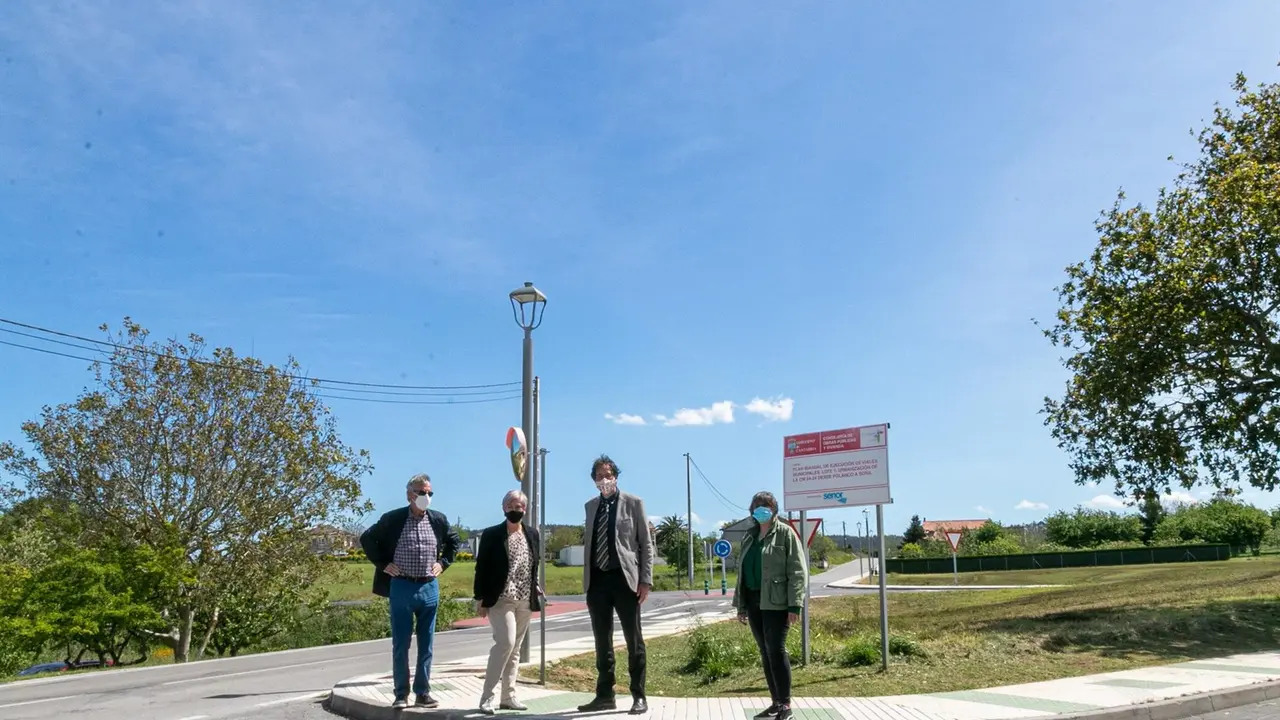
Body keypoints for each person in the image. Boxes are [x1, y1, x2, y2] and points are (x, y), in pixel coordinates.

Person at [359, 473, 462, 709]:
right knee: (401, 643)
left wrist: (443, 563)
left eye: (429, 493)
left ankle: (423, 692)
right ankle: (401, 694)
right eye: (421, 492)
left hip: (428, 586)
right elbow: (367, 538)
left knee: (426, 644)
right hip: (401, 586)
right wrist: (384, 564)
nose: (426, 496)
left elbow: (454, 542)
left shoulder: (438, 520)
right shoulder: (393, 519)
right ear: (409, 494)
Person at [577, 454, 654, 715]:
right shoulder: (590, 506)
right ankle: (604, 695)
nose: (604, 480)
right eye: (599, 476)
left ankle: (639, 695)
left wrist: (645, 580)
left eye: (608, 475)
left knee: (634, 639)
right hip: (597, 582)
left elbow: (646, 544)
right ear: (594, 481)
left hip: (625, 580)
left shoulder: (633, 503)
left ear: (616, 477)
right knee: (602, 640)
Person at [732, 491, 808, 720]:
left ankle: (786, 705)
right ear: (751, 511)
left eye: (766, 506)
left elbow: (797, 571)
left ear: (774, 510)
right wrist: (741, 605)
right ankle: (775, 703)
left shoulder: (785, 533)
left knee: (776, 650)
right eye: (757, 507)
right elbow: (742, 574)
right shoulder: (749, 535)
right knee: (765, 653)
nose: (761, 510)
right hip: (754, 601)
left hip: (777, 602)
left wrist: (795, 604)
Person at [472, 490, 544, 715]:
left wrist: (536, 584)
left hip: (524, 598)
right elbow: (482, 567)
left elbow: (533, 562)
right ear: (504, 508)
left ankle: (508, 696)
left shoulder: (532, 534)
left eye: (520, 506)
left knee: (515, 650)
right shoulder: (493, 534)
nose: (516, 510)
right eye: (512, 506)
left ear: (525, 509)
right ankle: (487, 697)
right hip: (500, 598)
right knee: (505, 643)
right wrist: (480, 598)